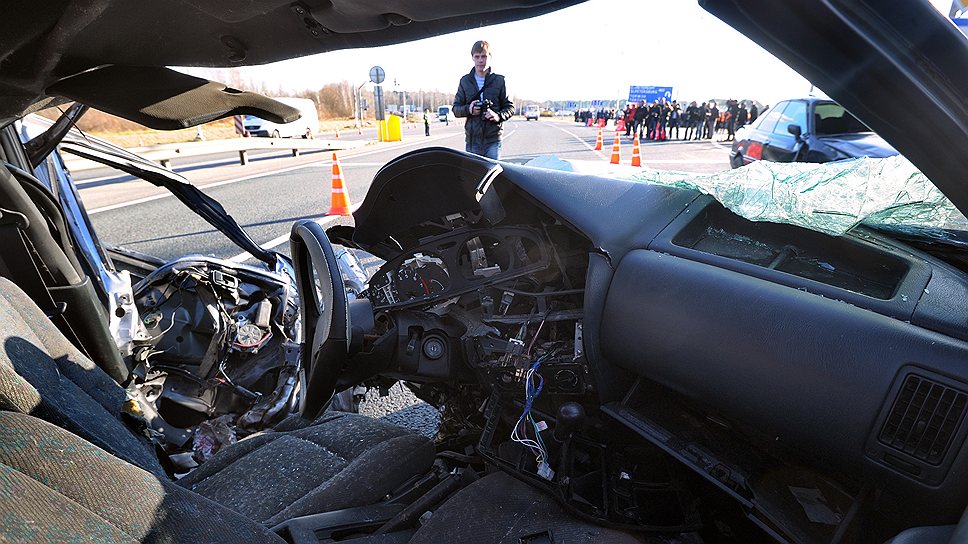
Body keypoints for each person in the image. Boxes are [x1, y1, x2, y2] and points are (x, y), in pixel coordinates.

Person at [453, 40, 514, 159]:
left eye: (484, 56)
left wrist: (497, 116)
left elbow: (510, 108)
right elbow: (456, 109)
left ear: (490, 57)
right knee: (473, 175)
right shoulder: (465, 81)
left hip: (493, 139)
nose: (480, 60)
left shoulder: (500, 80)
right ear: (472, 58)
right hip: (472, 141)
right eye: (477, 56)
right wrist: (469, 109)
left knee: (492, 174)